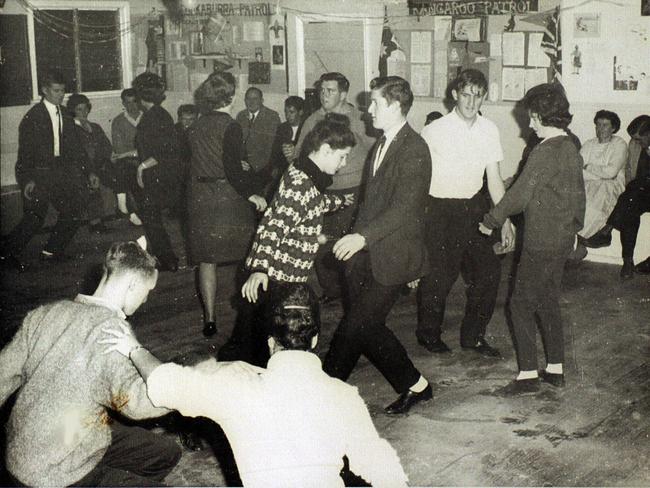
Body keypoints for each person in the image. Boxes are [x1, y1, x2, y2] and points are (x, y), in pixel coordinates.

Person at [100, 283, 408, 488]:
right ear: (314, 339)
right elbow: (387, 474)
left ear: (270, 341)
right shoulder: (344, 397)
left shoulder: (235, 389)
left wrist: (133, 347)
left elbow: (164, 383)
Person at [0, 241, 181, 486]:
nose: (146, 300)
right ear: (132, 285)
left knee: (164, 452)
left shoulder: (45, 313)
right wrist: (186, 383)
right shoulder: (111, 331)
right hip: (52, 475)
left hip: (20, 457)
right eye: (147, 291)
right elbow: (138, 405)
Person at [323, 76, 433, 415]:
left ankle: (321, 396)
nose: (368, 110)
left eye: (375, 104)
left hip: (396, 256)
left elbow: (405, 208)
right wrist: (353, 239)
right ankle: (417, 385)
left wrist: (361, 237)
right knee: (367, 326)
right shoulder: (381, 144)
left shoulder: (414, 149)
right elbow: (370, 204)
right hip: (368, 254)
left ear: (396, 106)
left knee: (354, 325)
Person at [219, 113, 355, 365]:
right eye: (342, 155)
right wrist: (260, 270)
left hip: (282, 276)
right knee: (262, 347)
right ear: (325, 149)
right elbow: (272, 227)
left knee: (252, 336)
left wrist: (337, 201)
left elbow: (311, 203)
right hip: (275, 277)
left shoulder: (303, 172)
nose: (344, 163)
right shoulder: (301, 184)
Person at [479, 83, 585, 395]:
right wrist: (573, 230)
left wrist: (491, 221)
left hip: (541, 241)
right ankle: (555, 368)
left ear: (540, 116)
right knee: (547, 300)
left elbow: (519, 195)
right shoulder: (570, 147)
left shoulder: (545, 151)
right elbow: (579, 199)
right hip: (562, 238)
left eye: (532, 117)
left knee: (520, 304)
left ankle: (527, 375)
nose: (529, 124)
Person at [417, 69, 515, 357]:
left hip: (474, 209)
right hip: (440, 209)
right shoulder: (435, 130)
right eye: (466, 94)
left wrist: (505, 218)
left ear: (484, 96)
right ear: (455, 95)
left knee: (488, 273)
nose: (472, 101)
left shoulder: (489, 129)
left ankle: (474, 336)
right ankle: (428, 334)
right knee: (439, 277)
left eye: (478, 95)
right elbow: (419, 179)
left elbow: (494, 179)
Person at [188, 72, 267, 338]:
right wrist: (252, 194)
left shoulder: (196, 125)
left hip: (200, 196)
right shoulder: (231, 125)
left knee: (206, 260)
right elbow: (233, 170)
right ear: (230, 96)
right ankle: (250, 311)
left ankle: (209, 319)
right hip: (227, 197)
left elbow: (199, 161)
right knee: (247, 256)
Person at [1, 71, 95, 272]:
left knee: (73, 210)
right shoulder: (33, 116)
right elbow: (25, 153)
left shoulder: (66, 114)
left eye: (63, 91)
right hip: (39, 174)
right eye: (56, 91)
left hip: (61, 173)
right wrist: (28, 180)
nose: (61, 95)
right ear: (45, 90)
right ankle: (5, 253)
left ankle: (51, 251)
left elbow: (76, 148)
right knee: (34, 218)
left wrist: (90, 172)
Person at [294, 72, 375, 304]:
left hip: (353, 188)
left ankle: (355, 291)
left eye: (330, 91)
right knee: (321, 242)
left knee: (350, 242)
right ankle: (331, 289)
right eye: (321, 90)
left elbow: (376, 150)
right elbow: (300, 154)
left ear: (343, 94)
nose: (323, 95)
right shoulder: (313, 119)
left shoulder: (360, 118)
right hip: (323, 190)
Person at [132, 72, 182, 272]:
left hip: (158, 174)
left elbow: (164, 151)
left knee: (152, 218)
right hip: (162, 173)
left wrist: (142, 167)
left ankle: (167, 259)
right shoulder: (158, 114)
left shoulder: (154, 117)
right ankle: (164, 257)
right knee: (152, 219)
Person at [606, 115, 650, 279]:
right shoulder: (634, 145)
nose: (636, 143)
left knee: (629, 198)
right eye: (634, 139)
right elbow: (630, 174)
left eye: (639, 139)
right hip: (640, 192)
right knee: (629, 207)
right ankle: (628, 261)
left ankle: (609, 226)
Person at [576, 110, 627, 249]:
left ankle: (584, 239)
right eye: (598, 125)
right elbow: (577, 169)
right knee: (576, 199)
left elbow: (611, 172)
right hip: (587, 182)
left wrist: (588, 166)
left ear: (614, 128)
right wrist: (599, 174)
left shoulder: (619, 144)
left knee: (596, 201)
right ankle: (576, 242)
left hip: (611, 185)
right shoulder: (589, 144)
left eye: (605, 125)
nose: (600, 129)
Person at [67, 93, 113, 234]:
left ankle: (106, 216)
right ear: (73, 110)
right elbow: (75, 154)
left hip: (98, 164)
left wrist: (100, 161)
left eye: (86, 109)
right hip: (81, 168)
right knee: (90, 185)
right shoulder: (71, 129)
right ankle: (95, 223)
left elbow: (107, 146)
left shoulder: (95, 126)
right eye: (79, 109)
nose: (84, 112)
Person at [235, 87, 281, 191]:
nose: (251, 102)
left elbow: (273, 147)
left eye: (255, 98)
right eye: (248, 99)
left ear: (262, 100)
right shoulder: (241, 116)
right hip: (244, 168)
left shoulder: (272, 117)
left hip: (264, 168)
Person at [110, 88, 143, 227]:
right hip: (130, 161)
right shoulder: (118, 121)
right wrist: (135, 154)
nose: (131, 106)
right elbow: (119, 149)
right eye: (127, 102)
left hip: (148, 160)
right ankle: (131, 211)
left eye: (134, 102)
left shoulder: (147, 117)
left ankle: (126, 207)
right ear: (123, 103)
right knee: (124, 168)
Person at [268, 95, 305, 192]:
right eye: (286, 112)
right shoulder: (282, 128)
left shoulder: (306, 128)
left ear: (300, 112)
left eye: (292, 112)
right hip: (284, 169)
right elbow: (275, 152)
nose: (287, 116)